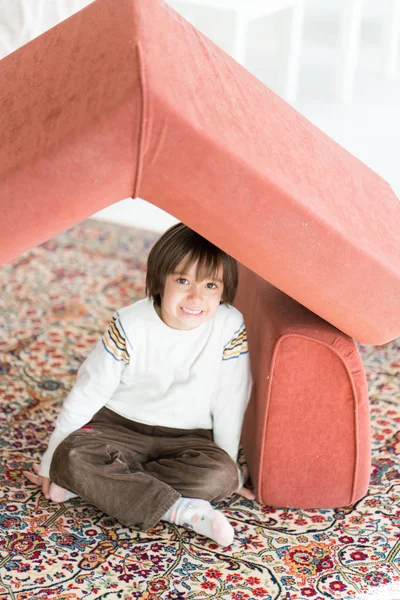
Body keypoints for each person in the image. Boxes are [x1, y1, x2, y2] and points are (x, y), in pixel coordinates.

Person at [24, 223, 253, 548]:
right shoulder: (130, 323)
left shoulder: (230, 326)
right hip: (118, 428)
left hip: (187, 439)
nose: (195, 297)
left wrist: (229, 464)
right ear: (160, 279)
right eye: (183, 280)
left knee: (220, 476)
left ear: (224, 290)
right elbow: (88, 391)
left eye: (211, 285)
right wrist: (51, 464)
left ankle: (100, 484)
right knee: (71, 456)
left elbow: (231, 397)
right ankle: (182, 509)